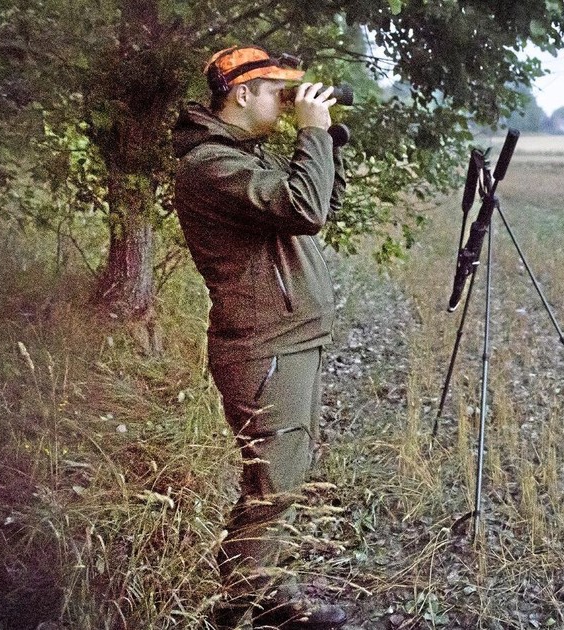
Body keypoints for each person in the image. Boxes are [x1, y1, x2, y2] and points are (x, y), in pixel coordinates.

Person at [171, 45, 348, 630]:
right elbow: (304, 209)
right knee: (271, 488)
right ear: (241, 94)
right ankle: (233, 612)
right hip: (265, 344)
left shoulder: (242, 157)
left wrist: (328, 144)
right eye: (278, 91)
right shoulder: (210, 165)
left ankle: (272, 594)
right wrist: (311, 133)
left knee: (284, 477)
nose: (288, 102)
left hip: (289, 337)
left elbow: (319, 204)